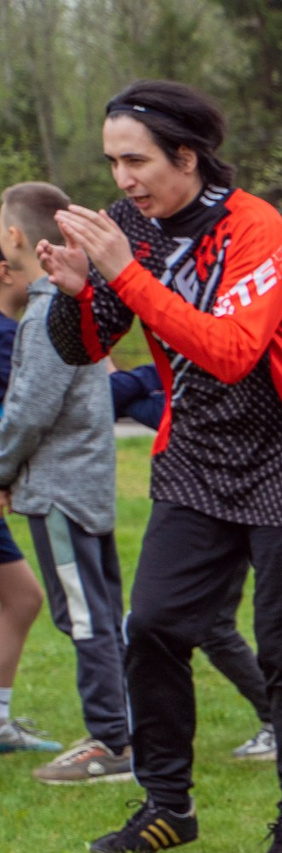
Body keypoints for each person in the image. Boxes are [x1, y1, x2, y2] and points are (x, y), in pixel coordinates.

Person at [38, 79, 282, 853]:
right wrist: (75, 291)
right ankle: (167, 805)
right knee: (155, 629)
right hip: (196, 462)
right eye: (112, 163)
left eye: (136, 160)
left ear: (187, 154)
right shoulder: (129, 229)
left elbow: (232, 349)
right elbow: (85, 343)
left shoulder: (257, 227)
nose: (124, 180)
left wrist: (126, 273)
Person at [1, 182, 130, 785]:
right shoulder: (63, 302)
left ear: (16, 236)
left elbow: (29, 410)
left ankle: (112, 741)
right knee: (100, 612)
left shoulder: (50, 306)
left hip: (59, 493)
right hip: (79, 489)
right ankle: (131, 729)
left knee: (84, 616)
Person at [0, 242, 61, 758]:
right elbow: (23, 416)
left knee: (22, 599)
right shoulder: (7, 337)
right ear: (5, 272)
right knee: (23, 599)